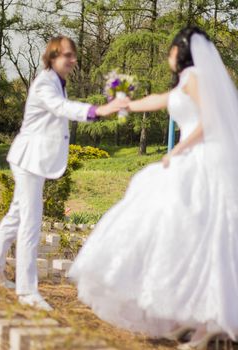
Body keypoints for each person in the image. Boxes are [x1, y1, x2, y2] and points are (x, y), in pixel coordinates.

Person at [69, 26, 238, 349]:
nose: (167, 56)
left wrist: (178, 149)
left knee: (199, 234)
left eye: (171, 50)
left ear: (181, 51)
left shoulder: (194, 76)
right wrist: (126, 105)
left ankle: (207, 324)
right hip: (192, 157)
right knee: (187, 235)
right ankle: (192, 316)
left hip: (200, 159)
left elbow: (209, 121)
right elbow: (160, 100)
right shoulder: (187, 82)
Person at [0, 36, 129, 311]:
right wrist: (99, 110)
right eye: (68, 56)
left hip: (31, 158)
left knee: (16, 215)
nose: (73, 61)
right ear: (52, 57)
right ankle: (27, 292)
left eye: (73, 56)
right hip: (29, 160)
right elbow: (63, 108)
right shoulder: (44, 84)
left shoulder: (57, 82)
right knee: (30, 222)